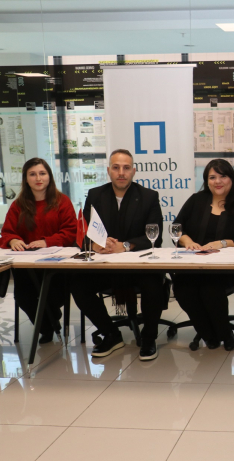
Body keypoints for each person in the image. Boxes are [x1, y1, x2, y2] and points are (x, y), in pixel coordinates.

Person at [71, 149, 165, 361]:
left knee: (153, 284)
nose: (121, 172)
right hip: (105, 267)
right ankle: (111, 334)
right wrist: (95, 245)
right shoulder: (95, 195)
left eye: (126, 168)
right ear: (108, 171)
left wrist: (126, 245)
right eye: (116, 167)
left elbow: (154, 237)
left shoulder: (149, 197)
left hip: (138, 267)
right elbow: (82, 234)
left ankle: (149, 338)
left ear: (134, 171)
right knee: (78, 284)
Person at [173, 159, 234, 351]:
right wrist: (188, 241)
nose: (217, 181)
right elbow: (177, 228)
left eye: (222, 176)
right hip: (192, 265)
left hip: (223, 268)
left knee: (210, 288)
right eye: (212, 177)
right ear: (206, 181)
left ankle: (225, 333)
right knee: (183, 289)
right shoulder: (196, 200)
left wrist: (223, 243)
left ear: (231, 179)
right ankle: (208, 334)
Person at [0, 158, 77, 344]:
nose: (38, 178)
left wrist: (47, 242)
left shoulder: (62, 201)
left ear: (49, 176)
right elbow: (7, 232)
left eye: (42, 173)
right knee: (22, 297)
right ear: (26, 179)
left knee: (53, 296)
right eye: (32, 174)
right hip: (27, 265)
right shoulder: (18, 205)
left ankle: (49, 320)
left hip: (57, 264)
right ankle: (48, 326)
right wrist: (13, 239)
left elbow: (71, 232)